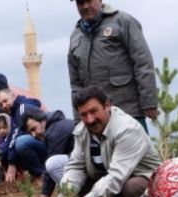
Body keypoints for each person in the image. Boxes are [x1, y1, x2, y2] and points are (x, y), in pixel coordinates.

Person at [59, 85, 160, 197]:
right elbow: (76, 166)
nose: (89, 119)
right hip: (114, 184)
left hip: (147, 186)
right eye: (84, 114)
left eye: (93, 111)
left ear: (107, 105)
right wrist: (66, 191)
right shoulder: (81, 132)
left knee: (132, 187)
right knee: (79, 189)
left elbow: (117, 176)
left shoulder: (127, 130)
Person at [67, 0, 158, 132]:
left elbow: (143, 63)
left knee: (137, 151)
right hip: (95, 119)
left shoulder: (123, 21)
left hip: (128, 111)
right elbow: (76, 84)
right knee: (103, 153)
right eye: (80, 2)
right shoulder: (75, 36)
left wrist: (148, 101)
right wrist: (78, 119)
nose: (85, 6)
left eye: (89, 1)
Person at [20, 108, 76, 197]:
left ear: (43, 120)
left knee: (52, 164)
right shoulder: (56, 126)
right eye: (30, 133)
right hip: (85, 163)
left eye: (33, 128)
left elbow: (49, 172)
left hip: (89, 166)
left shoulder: (54, 133)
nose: (33, 135)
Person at [0, 88, 42, 183]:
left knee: (20, 143)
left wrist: (12, 163)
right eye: (0, 104)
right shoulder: (14, 113)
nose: (4, 105)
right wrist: (1, 157)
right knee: (11, 149)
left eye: (5, 100)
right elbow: (11, 137)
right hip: (39, 143)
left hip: (48, 143)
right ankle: (32, 174)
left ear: (13, 96)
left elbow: (17, 136)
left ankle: (41, 174)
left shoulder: (22, 109)